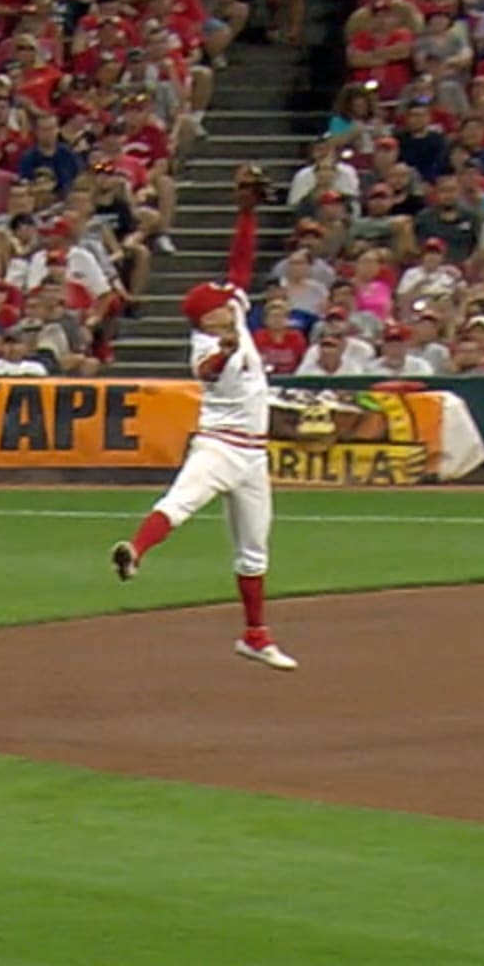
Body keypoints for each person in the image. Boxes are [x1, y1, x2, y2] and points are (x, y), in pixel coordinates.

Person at [109, 174, 295, 670]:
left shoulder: (232, 312)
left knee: (254, 552)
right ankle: (136, 551)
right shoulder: (206, 345)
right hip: (219, 447)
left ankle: (255, 635)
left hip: (253, 456)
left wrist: (247, 214)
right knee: (180, 503)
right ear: (206, 319)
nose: (228, 302)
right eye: (218, 305)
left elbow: (240, 264)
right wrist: (226, 351)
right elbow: (208, 371)